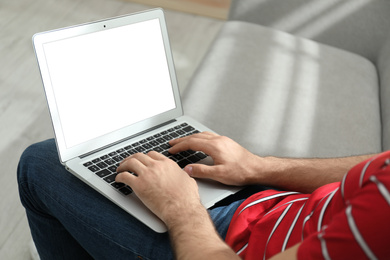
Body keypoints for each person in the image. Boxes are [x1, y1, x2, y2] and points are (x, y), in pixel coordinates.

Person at [17, 132, 390, 259]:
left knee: (41, 163)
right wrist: (259, 167)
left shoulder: (381, 222)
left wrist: (181, 208)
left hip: (226, 246)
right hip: (276, 207)